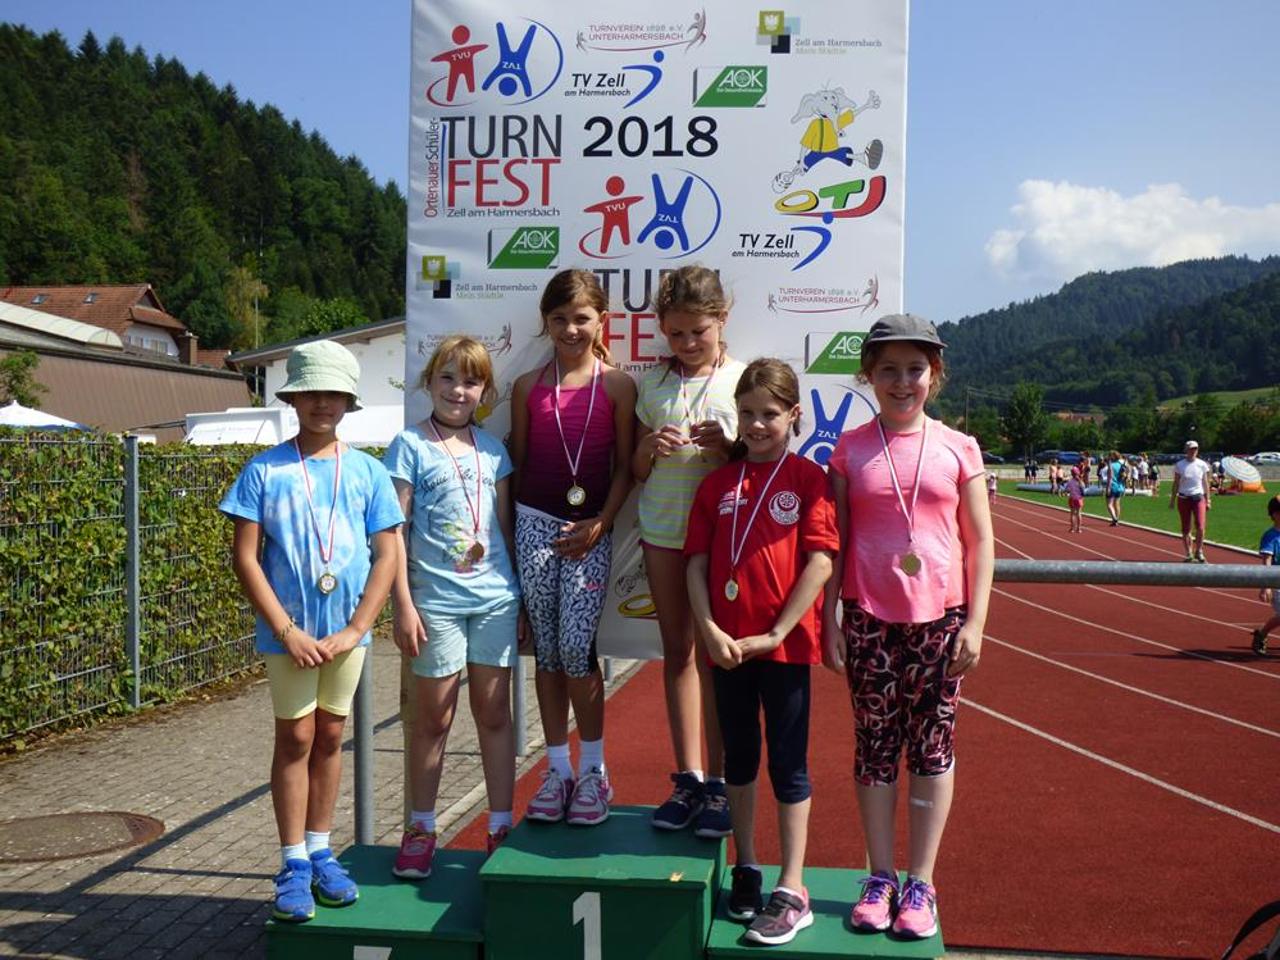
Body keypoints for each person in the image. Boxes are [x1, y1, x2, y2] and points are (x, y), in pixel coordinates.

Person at [822, 314, 993, 940]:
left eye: (915, 369)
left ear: (934, 374)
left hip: (941, 621)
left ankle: (921, 880)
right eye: (888, 369)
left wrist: (976, 622)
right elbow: (835, 543)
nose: (902, 382)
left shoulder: (959, 447)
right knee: (874, 747)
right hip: (868, 617)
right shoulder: (849, 449)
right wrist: (830, 617)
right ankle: (880, 875)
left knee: (932, 747)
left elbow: (981, 542)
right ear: (869, 375)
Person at [221, 340, 403, 922]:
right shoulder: (264, 469)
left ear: (348, 401)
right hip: (289, 638)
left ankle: (322, 851)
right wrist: (287, 630)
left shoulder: (369, 470)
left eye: (334, 394)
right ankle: (293, 860)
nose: (322, 403)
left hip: (346, 637)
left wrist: (357, 628)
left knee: (330, 736)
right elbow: (245, 559)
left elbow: (387, 554)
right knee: (295, 738)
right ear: (293, 399)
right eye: (311, 393)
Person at [685, 359, 838, 945]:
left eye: (768, 414)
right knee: (740, 760)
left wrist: (776, 633)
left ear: (793, 415)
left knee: (788, 764)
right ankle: (746, 864)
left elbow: (820, 562)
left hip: (785, 649)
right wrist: (707, 629)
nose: (755, 424)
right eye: (746, 413)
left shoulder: (808, 479)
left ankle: (792, 884)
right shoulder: (717, 485)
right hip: (727, 649)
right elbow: (696, 564)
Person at [384, 336, 524, 880]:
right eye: (447, 378)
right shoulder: (408, 446)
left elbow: (505, 531)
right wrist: (402, 603)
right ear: (429, 382)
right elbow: (393, 533)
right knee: (433, 719)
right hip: (435, 604)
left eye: (469, 381)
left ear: (485, 391)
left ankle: (501, 825)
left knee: (494, 714)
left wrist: (520, 600)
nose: (457, 390)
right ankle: (420, 828)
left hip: (494, 600)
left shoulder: (494, 452)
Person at [509, 270, 636, 826]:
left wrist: (603, 523)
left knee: (578, 651)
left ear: (601, 321)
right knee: (547, 653)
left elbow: (626, 467)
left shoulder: (618, 386)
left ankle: (594, 771)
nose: (570, 329)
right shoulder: (527, 387)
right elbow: (517, 467)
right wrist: (513, 541)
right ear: (546, 322)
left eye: (581, 318)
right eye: (559, 319)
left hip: (590, 531)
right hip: (534, 525)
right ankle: (557, 769)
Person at [633, 265, 746, 836]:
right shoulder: (652, 384)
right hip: (662, 530)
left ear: (722, 320)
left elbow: (760, 461)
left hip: (724, 538)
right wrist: (651, 446)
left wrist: (728, 448)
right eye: (675, 333)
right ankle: (689, 778)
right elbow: (634, 468)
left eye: (697, 331)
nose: (686, 342)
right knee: (677, 653)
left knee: (716, 657)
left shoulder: (743, 379)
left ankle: (721, 783)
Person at [1170, 440, 1213, 562]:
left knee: (1200, 526)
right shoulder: (1180, 465)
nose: (1193, 451)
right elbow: (1176, 483)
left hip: (1198, 497)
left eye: (1195, 449)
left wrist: (1208, 499)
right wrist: (1172, 499)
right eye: (1191, 449)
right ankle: (1189, 552)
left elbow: (1205, 483)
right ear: (1186, 450)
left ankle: (1199, 551)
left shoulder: (1202, 465)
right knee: (1186, 528)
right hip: (1184, 498)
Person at [1252, 495, 1280, 656]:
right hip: (1276, 582)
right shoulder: (1270, 536)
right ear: (1275, 514)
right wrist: (1266, 586)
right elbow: (1267, 561)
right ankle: (1262, 634)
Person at [1105, 450, 1126, 526]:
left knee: (1109, 504)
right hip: (1119, 486)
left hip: (1112, 486)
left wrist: (1108, 488)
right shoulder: (1121, 465)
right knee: (1117, 504)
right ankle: (1117, 519)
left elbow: (1110, 478)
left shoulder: (1111, 466)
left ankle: (1114, 519)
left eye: (1109, 455)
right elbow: (1124, 476)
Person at [1065, 466, 1085, 533]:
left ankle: (1072, 528)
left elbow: (1067, 490)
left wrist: (1068, 492)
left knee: (1072, 513)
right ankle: (1079, 528)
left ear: (1072, 474)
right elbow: (1084, 488)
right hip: (1079, 499)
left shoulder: (1070, 481)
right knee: (1079, 513)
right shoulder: (1080, 481)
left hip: (1072, 498)